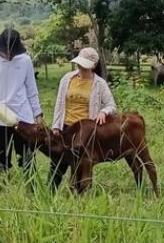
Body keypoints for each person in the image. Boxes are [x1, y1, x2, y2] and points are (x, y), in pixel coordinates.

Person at [0, 29, 43, 177]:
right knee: (0, 161)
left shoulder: (25, 60)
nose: (10, 55)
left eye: (13, 52)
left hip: (23, 118)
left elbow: (32, 90)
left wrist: (38, 114)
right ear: (0, 47)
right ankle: (3, 189)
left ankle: (32, 191)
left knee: (27, 159)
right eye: (6, 52)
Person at [49, 47, 117, 190]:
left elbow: (111, 105)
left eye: (84, 65)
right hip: (66, 127)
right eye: (79, 64)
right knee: (58, 161)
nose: (81, 67)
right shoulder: (67, 79)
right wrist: (56, 126)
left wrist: (103, 112)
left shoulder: (99, 84)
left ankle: (81, 193)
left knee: (82, 163)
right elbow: (59, 103)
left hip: (85, 132)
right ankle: (50, 191)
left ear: (92, 66)